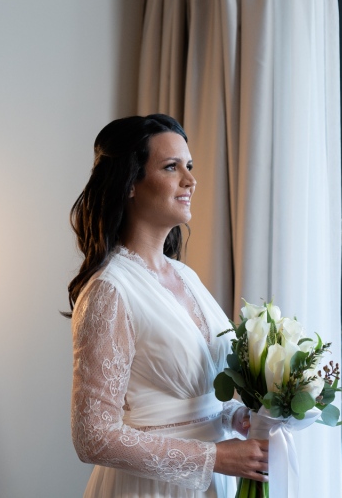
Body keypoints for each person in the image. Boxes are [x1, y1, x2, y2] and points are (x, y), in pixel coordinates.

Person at [68, 114, 269, 497]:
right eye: (171, 167)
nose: (190, 181)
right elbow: (92, 437)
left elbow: (192, 401)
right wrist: (214, 458)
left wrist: (236, 418)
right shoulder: (111, 290)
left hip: (212, 485)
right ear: (130, 183)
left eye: (189, 167)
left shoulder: (185, 276)